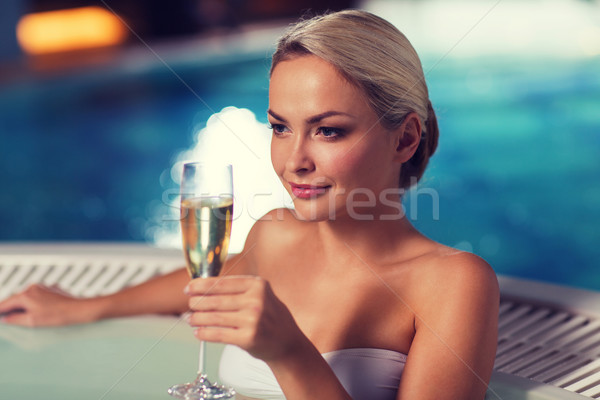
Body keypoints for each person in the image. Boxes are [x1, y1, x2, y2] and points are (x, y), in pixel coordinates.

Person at [0, 10, 499, 400]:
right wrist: (87, 307)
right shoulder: (276, 233)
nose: (294, 160)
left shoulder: (453, 283)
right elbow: (206, 283)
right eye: (280, 127)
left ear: (405, 139)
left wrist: (290, 353)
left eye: (328, 130)